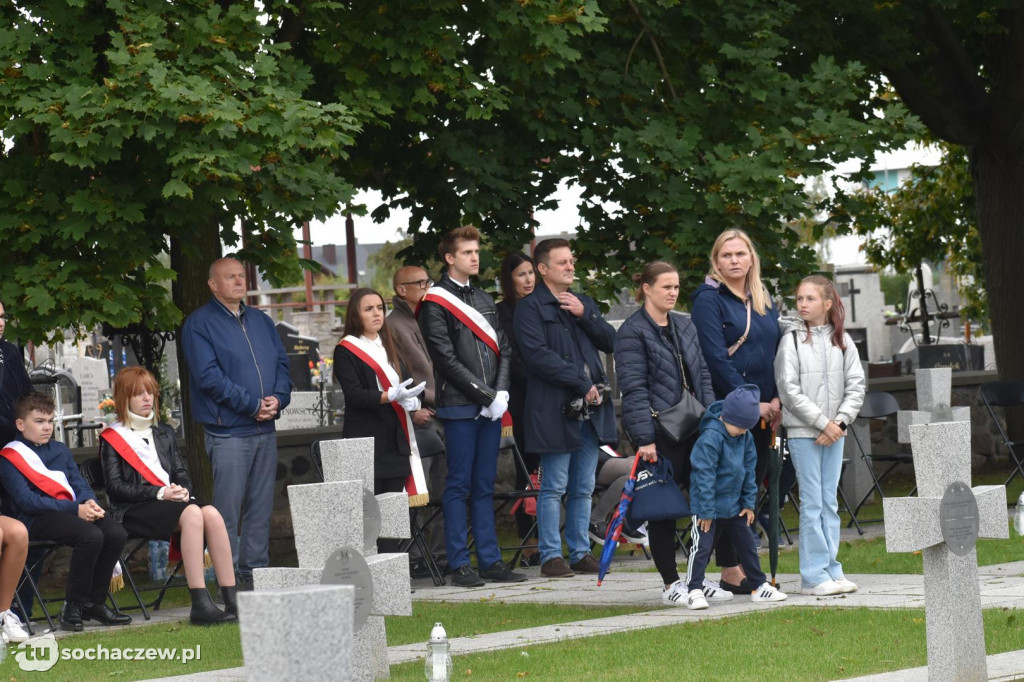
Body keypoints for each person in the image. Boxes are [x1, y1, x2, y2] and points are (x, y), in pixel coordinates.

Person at [418, 226, 527, 587]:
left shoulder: (483, 298)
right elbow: (445, 360)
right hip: (459, 405)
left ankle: (491, 561)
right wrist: (487, 395)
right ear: (450, 258)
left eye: (477, 251)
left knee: (484, 484)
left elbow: (504, 350)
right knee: (458, 484)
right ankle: (458, 563)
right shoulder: (435, 302)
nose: (475, 257)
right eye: (467, 252)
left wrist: (500, 393)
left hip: (491, 406)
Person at [181, 256, 293, 591]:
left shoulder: (260, 320)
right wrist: (250, 405)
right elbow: (208, 377)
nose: (239, 282)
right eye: (230, 277)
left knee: (260, 507)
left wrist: (278, 398)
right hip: (227, 430)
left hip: (264, 428)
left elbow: (283, 364)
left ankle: (255, 572)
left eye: (241, 276)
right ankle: (228, 579)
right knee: (226, 512)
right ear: (213, 285)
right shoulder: (199, 324)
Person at [614, 261, 720, 602]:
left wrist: (713, 418)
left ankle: (697, 577)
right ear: (646, 288)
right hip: (659, 433)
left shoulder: (684, 325)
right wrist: (643, 438)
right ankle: (671, 583)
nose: (673, 293)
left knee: (707, 497)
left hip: (695, 426)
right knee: (662, 508)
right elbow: (633, 388)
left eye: (676, 287)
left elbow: (702, 373)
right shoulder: (632, 332)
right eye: (666, 287)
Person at [99, 367, 238, 625]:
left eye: (149, 392)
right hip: (132, 510)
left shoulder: (164, 432)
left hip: (169, 504)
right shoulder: (112, 438)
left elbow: (180, 471)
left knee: (213, 514)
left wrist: (183, 489)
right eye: (138, 394)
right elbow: (115, 488)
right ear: (123, 398)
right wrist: (160, 492)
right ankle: (200, 603)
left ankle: (232, 600)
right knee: (194, 514)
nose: (146, 398)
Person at [514, 238, 617, 578]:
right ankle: (550, 556)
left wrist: (585, 314)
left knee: (584, 485)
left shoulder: (582, 302)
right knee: (554, 485)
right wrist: (580, 382)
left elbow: (610, 341)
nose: (571, 267)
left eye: (572, 261)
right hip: (555, 409)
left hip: (590, 411)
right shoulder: (529, 308)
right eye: (562, 263)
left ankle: (580, 552)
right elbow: (537, 356)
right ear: (542, 269)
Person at [690, 228, 781, 594]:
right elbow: (714, 357)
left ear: (751, 258)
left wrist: (774, 401)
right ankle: (730, 568)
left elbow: (773, 350)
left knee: (751, 482)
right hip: (733, 412)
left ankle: (741, 561)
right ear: (716, 259)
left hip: (766, 410)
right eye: (727, 255)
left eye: (740, 254)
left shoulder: (762, 296)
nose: (734, 261)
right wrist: (749, 402)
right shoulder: (708, 299)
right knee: (727, 485)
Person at [0, 393, 130, 631]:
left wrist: (89, 502)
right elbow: (27, 501)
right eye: (39, 421)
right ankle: (72, 607)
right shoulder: (9, 458)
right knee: (90, 536)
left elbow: (78, 482)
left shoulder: (60, 450)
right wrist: (75, 509)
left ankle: (93, 602)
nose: (47, 427)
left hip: (71, 512)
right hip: (35, 520)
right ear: (20, 424)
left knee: (115, 532)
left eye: (50, 421)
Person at [775, 275, 865, 596]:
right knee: (812, 503)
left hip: (834, 432)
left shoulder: (843, 341)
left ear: (827, 303)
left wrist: (839, 423)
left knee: (830, 501)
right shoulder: (792, 341)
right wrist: (821, 423)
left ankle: (832, 569)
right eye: (799, 298)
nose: (802, 304)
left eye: (810, 299)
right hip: (804, 433)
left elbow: (856, 385)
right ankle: (812, 576)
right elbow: (789, 390)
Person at [334, 287, 428, 550]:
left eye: (379, 308)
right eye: (368, 309)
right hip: (366, 440)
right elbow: (354, 395)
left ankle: (390, 569)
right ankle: (368, 571)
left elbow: (407, 381)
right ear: (356, 315)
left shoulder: (390, 344)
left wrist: (411, 400)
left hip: (395, 437)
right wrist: (389, 395)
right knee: (368, 512)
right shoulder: (347, 350)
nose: (376, 313)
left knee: (391, 512)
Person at [683, 384, 787, 609]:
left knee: (747, 544)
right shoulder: (710, 439)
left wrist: (749, 504)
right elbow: (704, 477)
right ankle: (693, 589)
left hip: (735, 507)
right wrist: (706, 511)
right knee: (701, 548)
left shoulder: (746, 437)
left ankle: (759, 586)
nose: (742, 431)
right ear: (726, 417)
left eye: (746, 428)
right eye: (739, 426)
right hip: (708, 509)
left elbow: (750, 473)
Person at [389, 266, 447, 574]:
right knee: (418, 493)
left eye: (428, 281)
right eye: (419, 283)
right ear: (402, 289)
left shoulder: (433, 316)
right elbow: (393, 375)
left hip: (447, 410)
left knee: (445, 488)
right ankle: (414, 556)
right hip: (420, 418)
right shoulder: (393, 325)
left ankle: (440, 554)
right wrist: (412, 410)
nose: (426, 287)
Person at [496, 252, 540, 566]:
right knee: (527, 473)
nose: (528, 280)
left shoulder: (542, 306)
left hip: (548, 401)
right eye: (521, 274)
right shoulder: (502, 313)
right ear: (509, 279)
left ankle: (550, 539)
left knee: (549, 475)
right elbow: (510, 358)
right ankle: (529, 543)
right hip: (523, 402)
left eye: (530, 273)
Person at [0, 299, 33, 447]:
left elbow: (27, 393)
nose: (1, 323)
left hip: (15, 440)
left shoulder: (9, 352)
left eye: (2, 317)